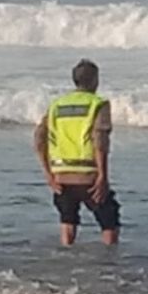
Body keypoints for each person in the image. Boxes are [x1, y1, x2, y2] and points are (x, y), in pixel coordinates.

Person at [33, 59, 120, 246]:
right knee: (109, 221)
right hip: (88, 174)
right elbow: (100, 139)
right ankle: (109, 258)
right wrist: (103, 176)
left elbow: (39, 138)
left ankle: (66, 254)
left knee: (68, 220)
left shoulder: (57, 105)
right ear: (95, 80)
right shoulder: (98, 104)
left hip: (61, 175)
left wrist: (48, 173)